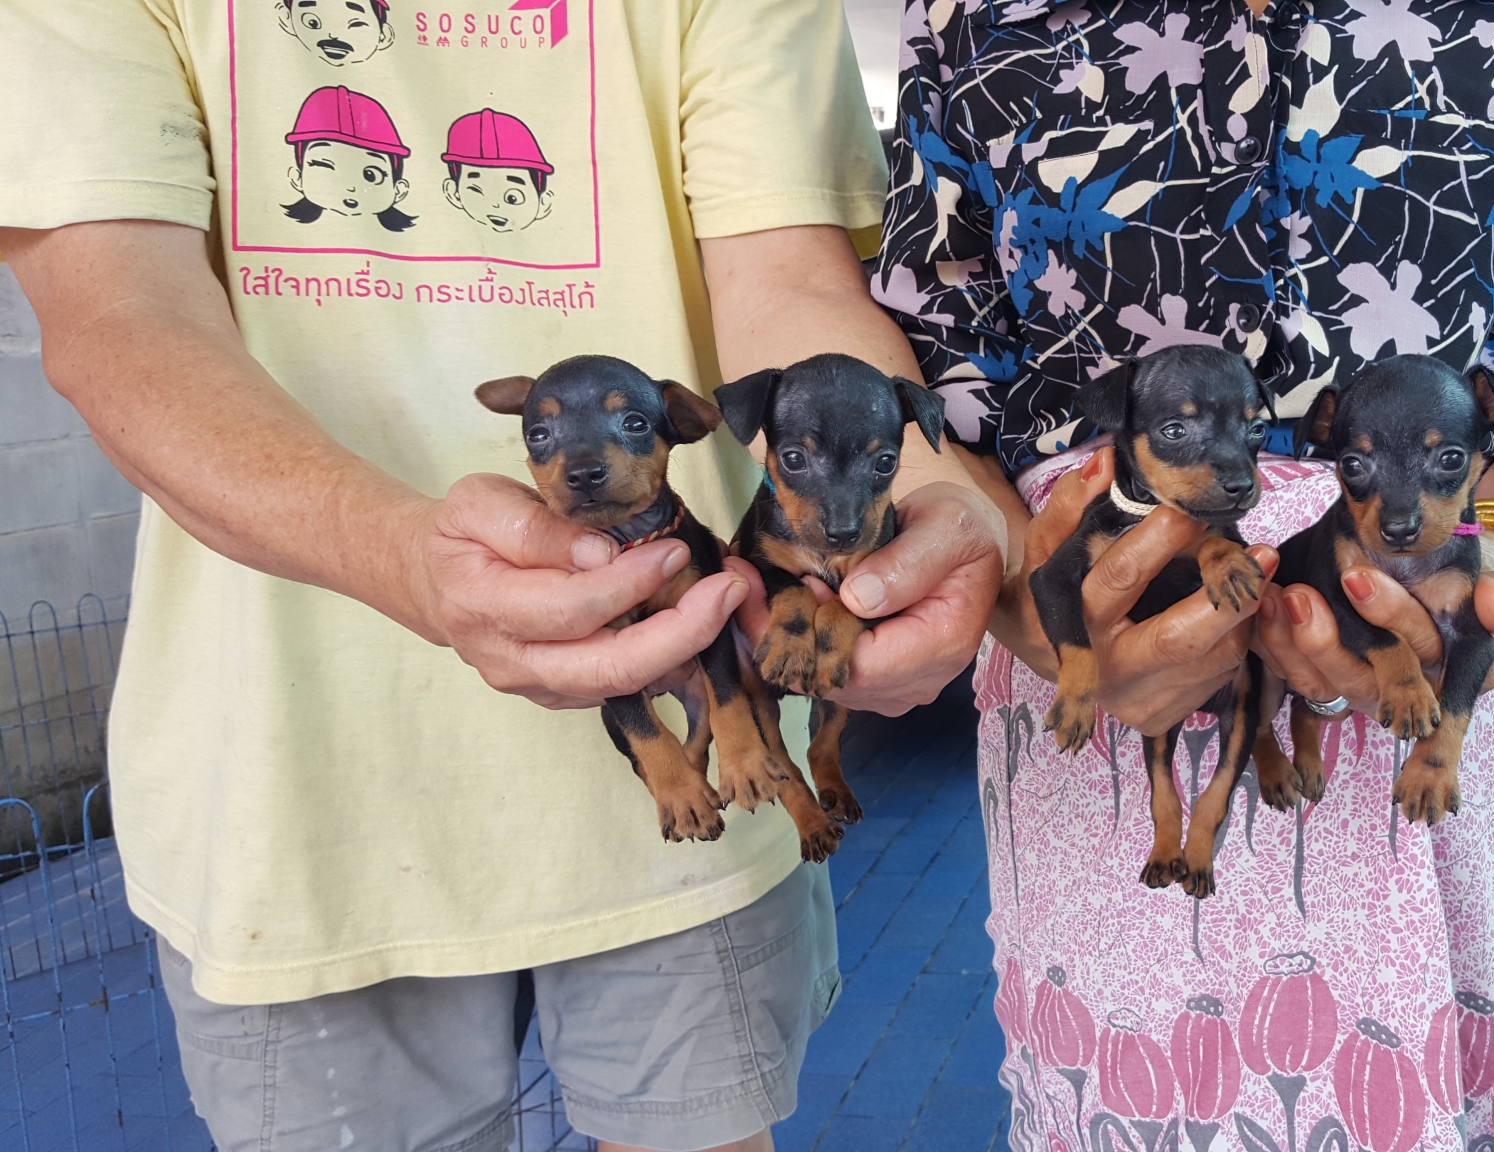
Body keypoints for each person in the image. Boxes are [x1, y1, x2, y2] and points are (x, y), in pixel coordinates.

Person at [0, 1, 1006, 1149]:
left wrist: (922, 507)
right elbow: (115, 311)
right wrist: (394, 553)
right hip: (296, 799)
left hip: (691, 846)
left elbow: (787, 280)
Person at [874, 0, 1494, 1148]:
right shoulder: (969, 15)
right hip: (1094, 644)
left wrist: (1490, 562)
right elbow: (923, 371)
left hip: (1438, 635)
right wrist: (1041, 616)